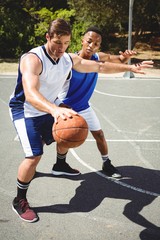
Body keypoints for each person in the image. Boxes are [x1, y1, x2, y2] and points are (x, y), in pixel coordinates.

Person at [9, 18, 153, 223]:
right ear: (47, 37)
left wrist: (130, 68)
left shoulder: (68, 59)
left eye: (66, 43)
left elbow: (100, 67)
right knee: (34, 155)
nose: (61, 48)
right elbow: (31, 93)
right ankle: (19, 200)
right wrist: (55, 110)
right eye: (58, 43)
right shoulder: (33, 58)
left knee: (62, 136)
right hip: (26, 110)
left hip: (50, 108)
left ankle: (58, 166)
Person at [51, 26, 137, 178]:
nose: (92, 45)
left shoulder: (99, 58)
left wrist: (126, 56)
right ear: (82, 41)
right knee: (64, 136)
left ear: (99, 47)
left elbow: (118, 60)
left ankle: (107, 163)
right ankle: (59, 164)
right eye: (89, 41)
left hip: (84, 107)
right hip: (66, 107)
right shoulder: (69, 62)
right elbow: (54, 86)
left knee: (99, 135)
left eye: (96, 44)